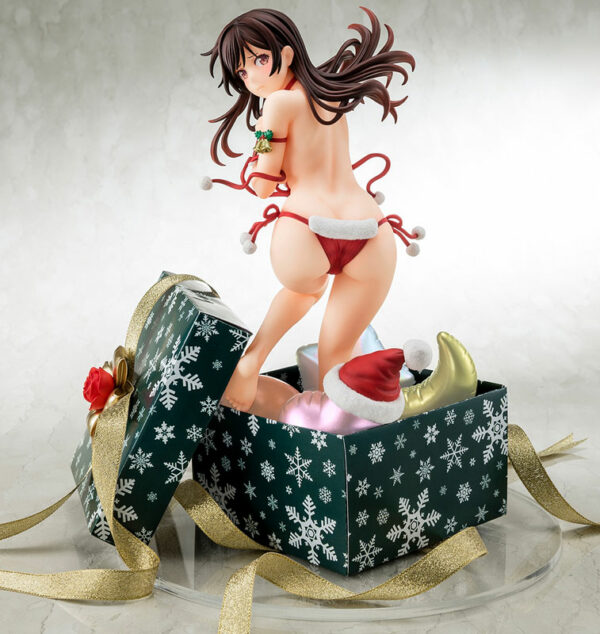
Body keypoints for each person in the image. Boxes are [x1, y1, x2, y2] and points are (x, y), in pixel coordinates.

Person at [202, 7, 420, 412]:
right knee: (335, 361)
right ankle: (343, 431)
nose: (252, 78)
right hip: (372, 232)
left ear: (286, 54)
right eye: (242, 71)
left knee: (304, 288)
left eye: (258, 60)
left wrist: (260, 147)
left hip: (308, 227)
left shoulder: (277, 104)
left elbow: (263, 184)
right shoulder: (330, 96)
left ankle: (252, 360)